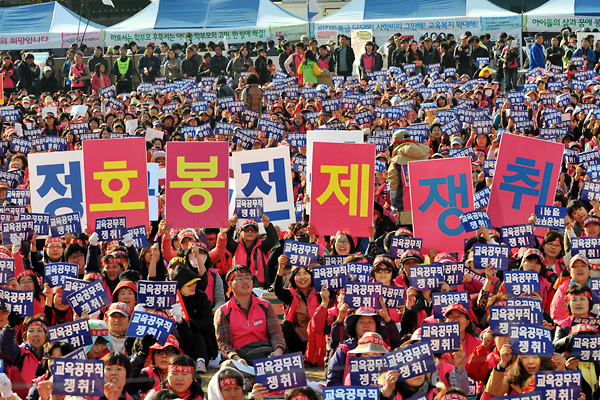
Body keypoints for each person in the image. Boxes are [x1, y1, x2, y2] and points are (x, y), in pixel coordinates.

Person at [214, 265, 285, 366]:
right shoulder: (223, 311)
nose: (245, 282)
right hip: (240, 357)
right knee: (227, 367)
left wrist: (278, 352)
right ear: (230, 284)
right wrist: (237, 359)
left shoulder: (265, 305)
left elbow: (276, 333)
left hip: (265, 354)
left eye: (248, 278)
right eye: (240, 279)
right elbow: (224, 344)